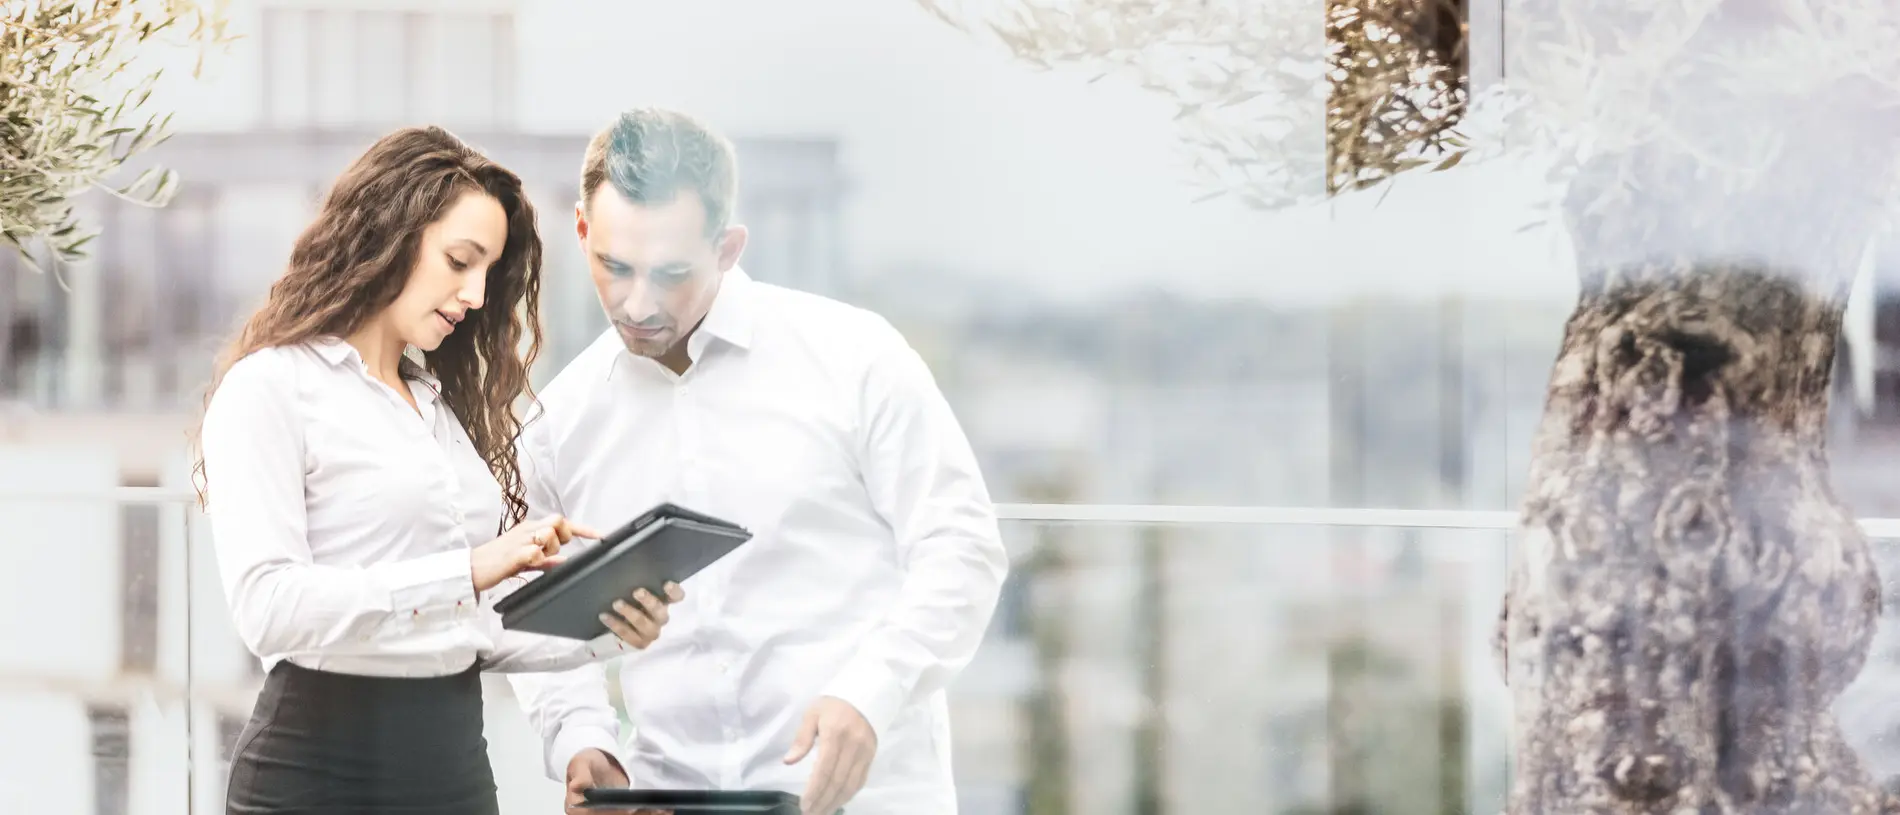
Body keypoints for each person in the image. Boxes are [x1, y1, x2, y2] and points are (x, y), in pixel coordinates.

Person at [506, 107, 1010, 815]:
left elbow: (961, 550)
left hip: (865, 796)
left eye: (670, 273)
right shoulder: (560, 423)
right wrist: (583, 739)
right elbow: (539, 613)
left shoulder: (856, 357)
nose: (637, 303)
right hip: (670, 797)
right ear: (583, 231)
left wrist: (872, 691)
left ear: (728, 248)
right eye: (614, 266)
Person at [192, 125, 685, 815]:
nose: (477, 294)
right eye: (459, 261)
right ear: (388, 233)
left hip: (453, 772)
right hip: (314, 777)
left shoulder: (438, 410)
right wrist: (469, 570)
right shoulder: (270, 387)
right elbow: (268, 610)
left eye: (487, 272)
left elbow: (466, 632)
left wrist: (602, 627)